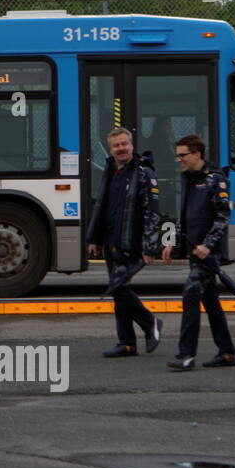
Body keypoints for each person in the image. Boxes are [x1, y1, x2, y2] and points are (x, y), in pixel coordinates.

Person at [162, 134, 235, 370]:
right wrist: (172, 240)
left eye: (183, 155)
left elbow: (223, 216)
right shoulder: (188, 179)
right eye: (177, 156)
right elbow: (182, 214)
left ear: (197, 154)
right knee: (211, 301)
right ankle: (227, 352)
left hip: (207, 252)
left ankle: (186, 355)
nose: (179, 160)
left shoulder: (216, 179)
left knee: (190, 296)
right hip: (194, 250)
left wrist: (208, 245)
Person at [85, 127, 162, 357]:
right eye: (116, 145)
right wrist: (94, 239)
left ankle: (150, 323)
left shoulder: (144, 173)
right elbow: (102, 207)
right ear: (110, 149)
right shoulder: (110, 171)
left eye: (124, 144)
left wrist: (149, 246)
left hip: (130, 242)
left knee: (118, 287)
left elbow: (152, 213)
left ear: (132, 145)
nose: (121, 149)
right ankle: (127, 342)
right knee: (119, 290)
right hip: (110, 242)